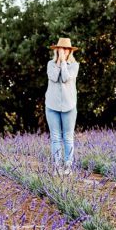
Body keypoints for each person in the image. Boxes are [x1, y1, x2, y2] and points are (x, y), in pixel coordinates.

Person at [45, 38, 79, 175]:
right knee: (55, 137)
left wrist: (64, 62)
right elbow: (53, 77)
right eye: (60, 49)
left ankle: (68, 167)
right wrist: (58, 62)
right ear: (56, 51)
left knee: (68, 137)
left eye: (65, 49)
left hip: (69, 106)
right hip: (51, 105)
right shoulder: (50, 64)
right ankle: (57, 166)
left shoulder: (74, 65)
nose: (63, 51)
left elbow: (65, 78)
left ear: (69, 51)